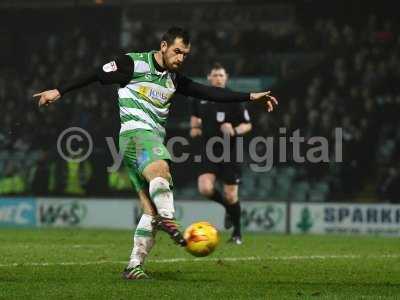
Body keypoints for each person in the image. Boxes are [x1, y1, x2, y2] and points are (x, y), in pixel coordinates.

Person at [33, 27, 278, 280]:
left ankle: (133, 265)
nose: (181, 58)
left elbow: (211, 92)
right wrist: (58, 91)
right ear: (163, 46)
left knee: (150, 211)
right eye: (177, 51)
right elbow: (95, 74)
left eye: (185, 54)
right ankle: (169, 219)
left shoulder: (175, 79)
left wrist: (250, 97)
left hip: (144, 141)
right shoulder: (132, 63)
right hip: (135, 134)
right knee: (161, 170)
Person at [190, 63, 252, 245]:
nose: (218, 78)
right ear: (209, 77)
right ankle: (228, 208)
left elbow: (247, 124)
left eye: (221, 75)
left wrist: (234, 129)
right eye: (215, 75)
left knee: (231, 195)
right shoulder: (198, 98)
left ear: (226, 78)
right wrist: (195, 129)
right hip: (209, 150)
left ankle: (237, 233)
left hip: (230, 151)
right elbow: (194, 122)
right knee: (205, 188)